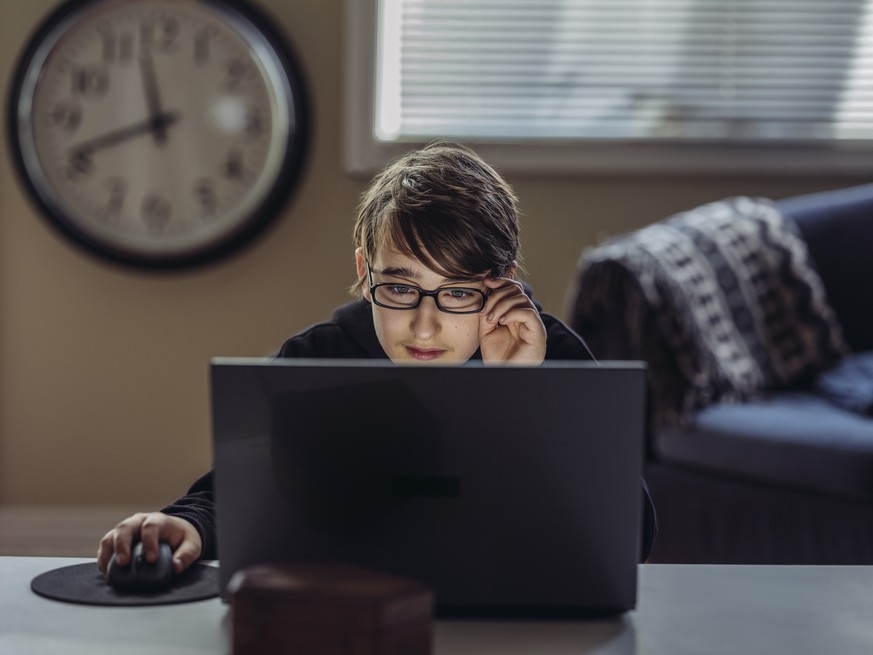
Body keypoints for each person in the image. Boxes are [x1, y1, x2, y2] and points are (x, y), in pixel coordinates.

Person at [97, 140, 657, 576]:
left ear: (502, 284)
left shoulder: (552, 356)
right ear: (366, 272)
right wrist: (181, 522)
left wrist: (518, 394)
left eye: (458, 292)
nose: (424, 323)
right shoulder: (318, 358)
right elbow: (241, 488)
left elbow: (631, 535)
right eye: (400, 287)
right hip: (354, 610)